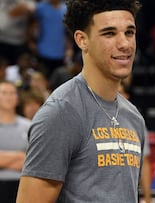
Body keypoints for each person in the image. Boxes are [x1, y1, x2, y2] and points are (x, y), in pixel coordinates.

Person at [16, 0, 147, 202]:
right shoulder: (61, 113)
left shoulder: (134, 117)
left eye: (129, 32)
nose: (125, 44)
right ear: (82, 40)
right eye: (109, 33)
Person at [0, 81, 30, 203]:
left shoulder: (29, 126)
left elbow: (33, 162)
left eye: (12, 93)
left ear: (17, 99)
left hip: (23, 186)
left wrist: (3, 160)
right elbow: (25, 159)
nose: (9, 97)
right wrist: (19, 156)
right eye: (4, 93)